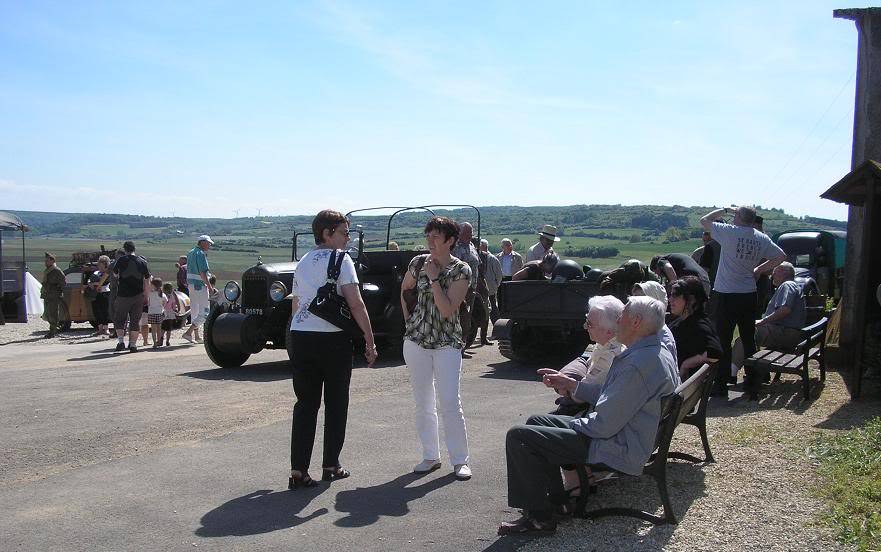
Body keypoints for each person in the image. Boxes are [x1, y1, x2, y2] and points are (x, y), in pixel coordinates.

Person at [498, 297, 679, 535]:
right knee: (536, 422)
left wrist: (573, 425)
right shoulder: (651, 352)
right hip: (627, 434)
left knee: (519, 437)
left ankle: (539, 520)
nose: (617, 322)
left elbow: (603, 426)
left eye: (621, 317)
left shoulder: (638, 365)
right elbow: (611, 395)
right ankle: (559, 501)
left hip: (618, 445)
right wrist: (573, 385)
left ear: (635, 322)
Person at [288, 210, 377, 489]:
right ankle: (331, 465)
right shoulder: (342, 259)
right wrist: (369, 339)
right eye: (343, 232)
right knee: (336, 403)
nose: (347, 238)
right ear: (327, 233)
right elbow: (355, 303)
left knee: (305, 404)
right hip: (332, 339)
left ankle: (298, 470)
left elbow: (296, 304)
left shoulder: (302, 262)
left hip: (301, 336)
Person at [400, 216, 473, 481]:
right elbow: (405, 289)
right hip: (416, 342)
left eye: (436, 236)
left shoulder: (461, 270)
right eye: (428, 235)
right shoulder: (417, 262)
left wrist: (433, 280)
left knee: (450, 402)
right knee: (423, 402)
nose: (430, 241)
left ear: (450, 240)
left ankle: (460, 459)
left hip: (447, 343)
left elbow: (446, 309)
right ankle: (430, 456)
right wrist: (410, 322)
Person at [700, 206, 786, 396]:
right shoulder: (760, 237)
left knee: (723, 339)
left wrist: (724, 210)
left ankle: (721, 384)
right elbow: (781, 256)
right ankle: (753, 379)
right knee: (748, 338)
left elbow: (704, 221)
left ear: (738, 216)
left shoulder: (730, 232)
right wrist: (759, 270)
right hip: (748, 293)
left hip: (725, 292)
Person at [732, 262, 806, 386]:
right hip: (788, 333)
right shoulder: (792, 285)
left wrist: (762, 321)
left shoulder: (787, 285)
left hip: (785, 333)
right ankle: (759, 374)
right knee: (750, 337)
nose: (772, 275)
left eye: (774, 271)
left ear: (782, 271)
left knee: (746, 336)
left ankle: (731, 374)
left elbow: (785, 309)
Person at [549, 295, 625, 416]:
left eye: (589, 324)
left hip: (590, 416)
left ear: (608, 331)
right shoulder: (605, 343)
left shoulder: (609, 357)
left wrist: (566, 386)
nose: (585, 326)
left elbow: (581, 396)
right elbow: (586, 364)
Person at [668, 277, 722, 380]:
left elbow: (716, 352)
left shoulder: (699, 325)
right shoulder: (683, 321)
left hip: (674, 387)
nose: (670, 299)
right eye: (670, 295)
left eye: (675, 295)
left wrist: (686, 364)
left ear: (691, 299)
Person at [112, 241, 151, 353]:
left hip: (123, 295)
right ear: (135, 249)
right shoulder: (142, 261)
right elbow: (147, 280)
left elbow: (115, 274)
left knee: (120, 319)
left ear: (125, 249)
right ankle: (133, 344)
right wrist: (146, 295)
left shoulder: (121, 260)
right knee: (135, 320)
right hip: (138, 295)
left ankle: (120, 342)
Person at [630, 280, 678, 366]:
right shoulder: (644, 330)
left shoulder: (662, 341)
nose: (632, 305)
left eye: (641, 301)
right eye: (634, 300)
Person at [451, 222, 480, 355]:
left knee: (467, 320)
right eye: (468, 232)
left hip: (471, 289)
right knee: (458, 319)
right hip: (459, 289)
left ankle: (462, 348)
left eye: (471, 232)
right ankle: (455, 349)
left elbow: (478, 264)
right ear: (460, 233)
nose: (470, 234)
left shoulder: (472, 246)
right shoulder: (456, 247)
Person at [182, 236, 216, 344]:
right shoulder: (200, 254)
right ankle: (189, 332)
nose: (209, 245)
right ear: (203, 242)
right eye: (208, 243)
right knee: (205, 312)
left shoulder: (191, 252)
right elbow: (203, 273)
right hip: (200, 285)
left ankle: (196, 336)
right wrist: (210, 287)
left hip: (191, 285)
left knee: (195, 311)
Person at [41, 253, 66, 338]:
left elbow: (63, 283)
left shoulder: (56, 270)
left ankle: (52, 332)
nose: (45, 262)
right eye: (45, 260)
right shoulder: (48, 270)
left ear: (52, 261)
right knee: (47, 314)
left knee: (53, 314)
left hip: (54, 295)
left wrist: (58, 291)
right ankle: (55, 327)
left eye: (47, 260)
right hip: (47, 294)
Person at [86, 255, 112, 336]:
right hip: (95, 294)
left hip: (105, 293)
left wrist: (95, 283)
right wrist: (90, 283)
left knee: (104, 311)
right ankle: (100, 329)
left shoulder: (108, 273)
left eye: (101, 265)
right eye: (99, 264)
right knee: (97, 311)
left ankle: (106, 329)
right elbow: (89, 280)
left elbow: (105, 282)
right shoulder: (96, 273)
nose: (99, 266)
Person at [480, 239, 503, 324]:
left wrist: (495, 285)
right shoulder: (478, 257)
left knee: (493, 307)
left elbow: (499, 275)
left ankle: (497, 326)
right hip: (481, 288)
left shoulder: (492, 258)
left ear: (484, 246)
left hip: (490, 289)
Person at [147, 277, 166, 349]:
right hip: (159, 312)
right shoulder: (162, 294)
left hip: (151, 312)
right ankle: (159, 341)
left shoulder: (150, 293)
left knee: (153, 329)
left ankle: (155, 342)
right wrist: (162, 307)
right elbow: (165, 302)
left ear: (153, 285)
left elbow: (148, 301)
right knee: (159, 329)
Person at [161, 282, 177, 347]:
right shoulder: (172, 296)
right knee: (169, 329)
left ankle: (161, 338)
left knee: (162, 328)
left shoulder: (162, 295)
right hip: (171, 314)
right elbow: (174, 305)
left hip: (164, 313)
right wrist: (175, 310)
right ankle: (167, 341)